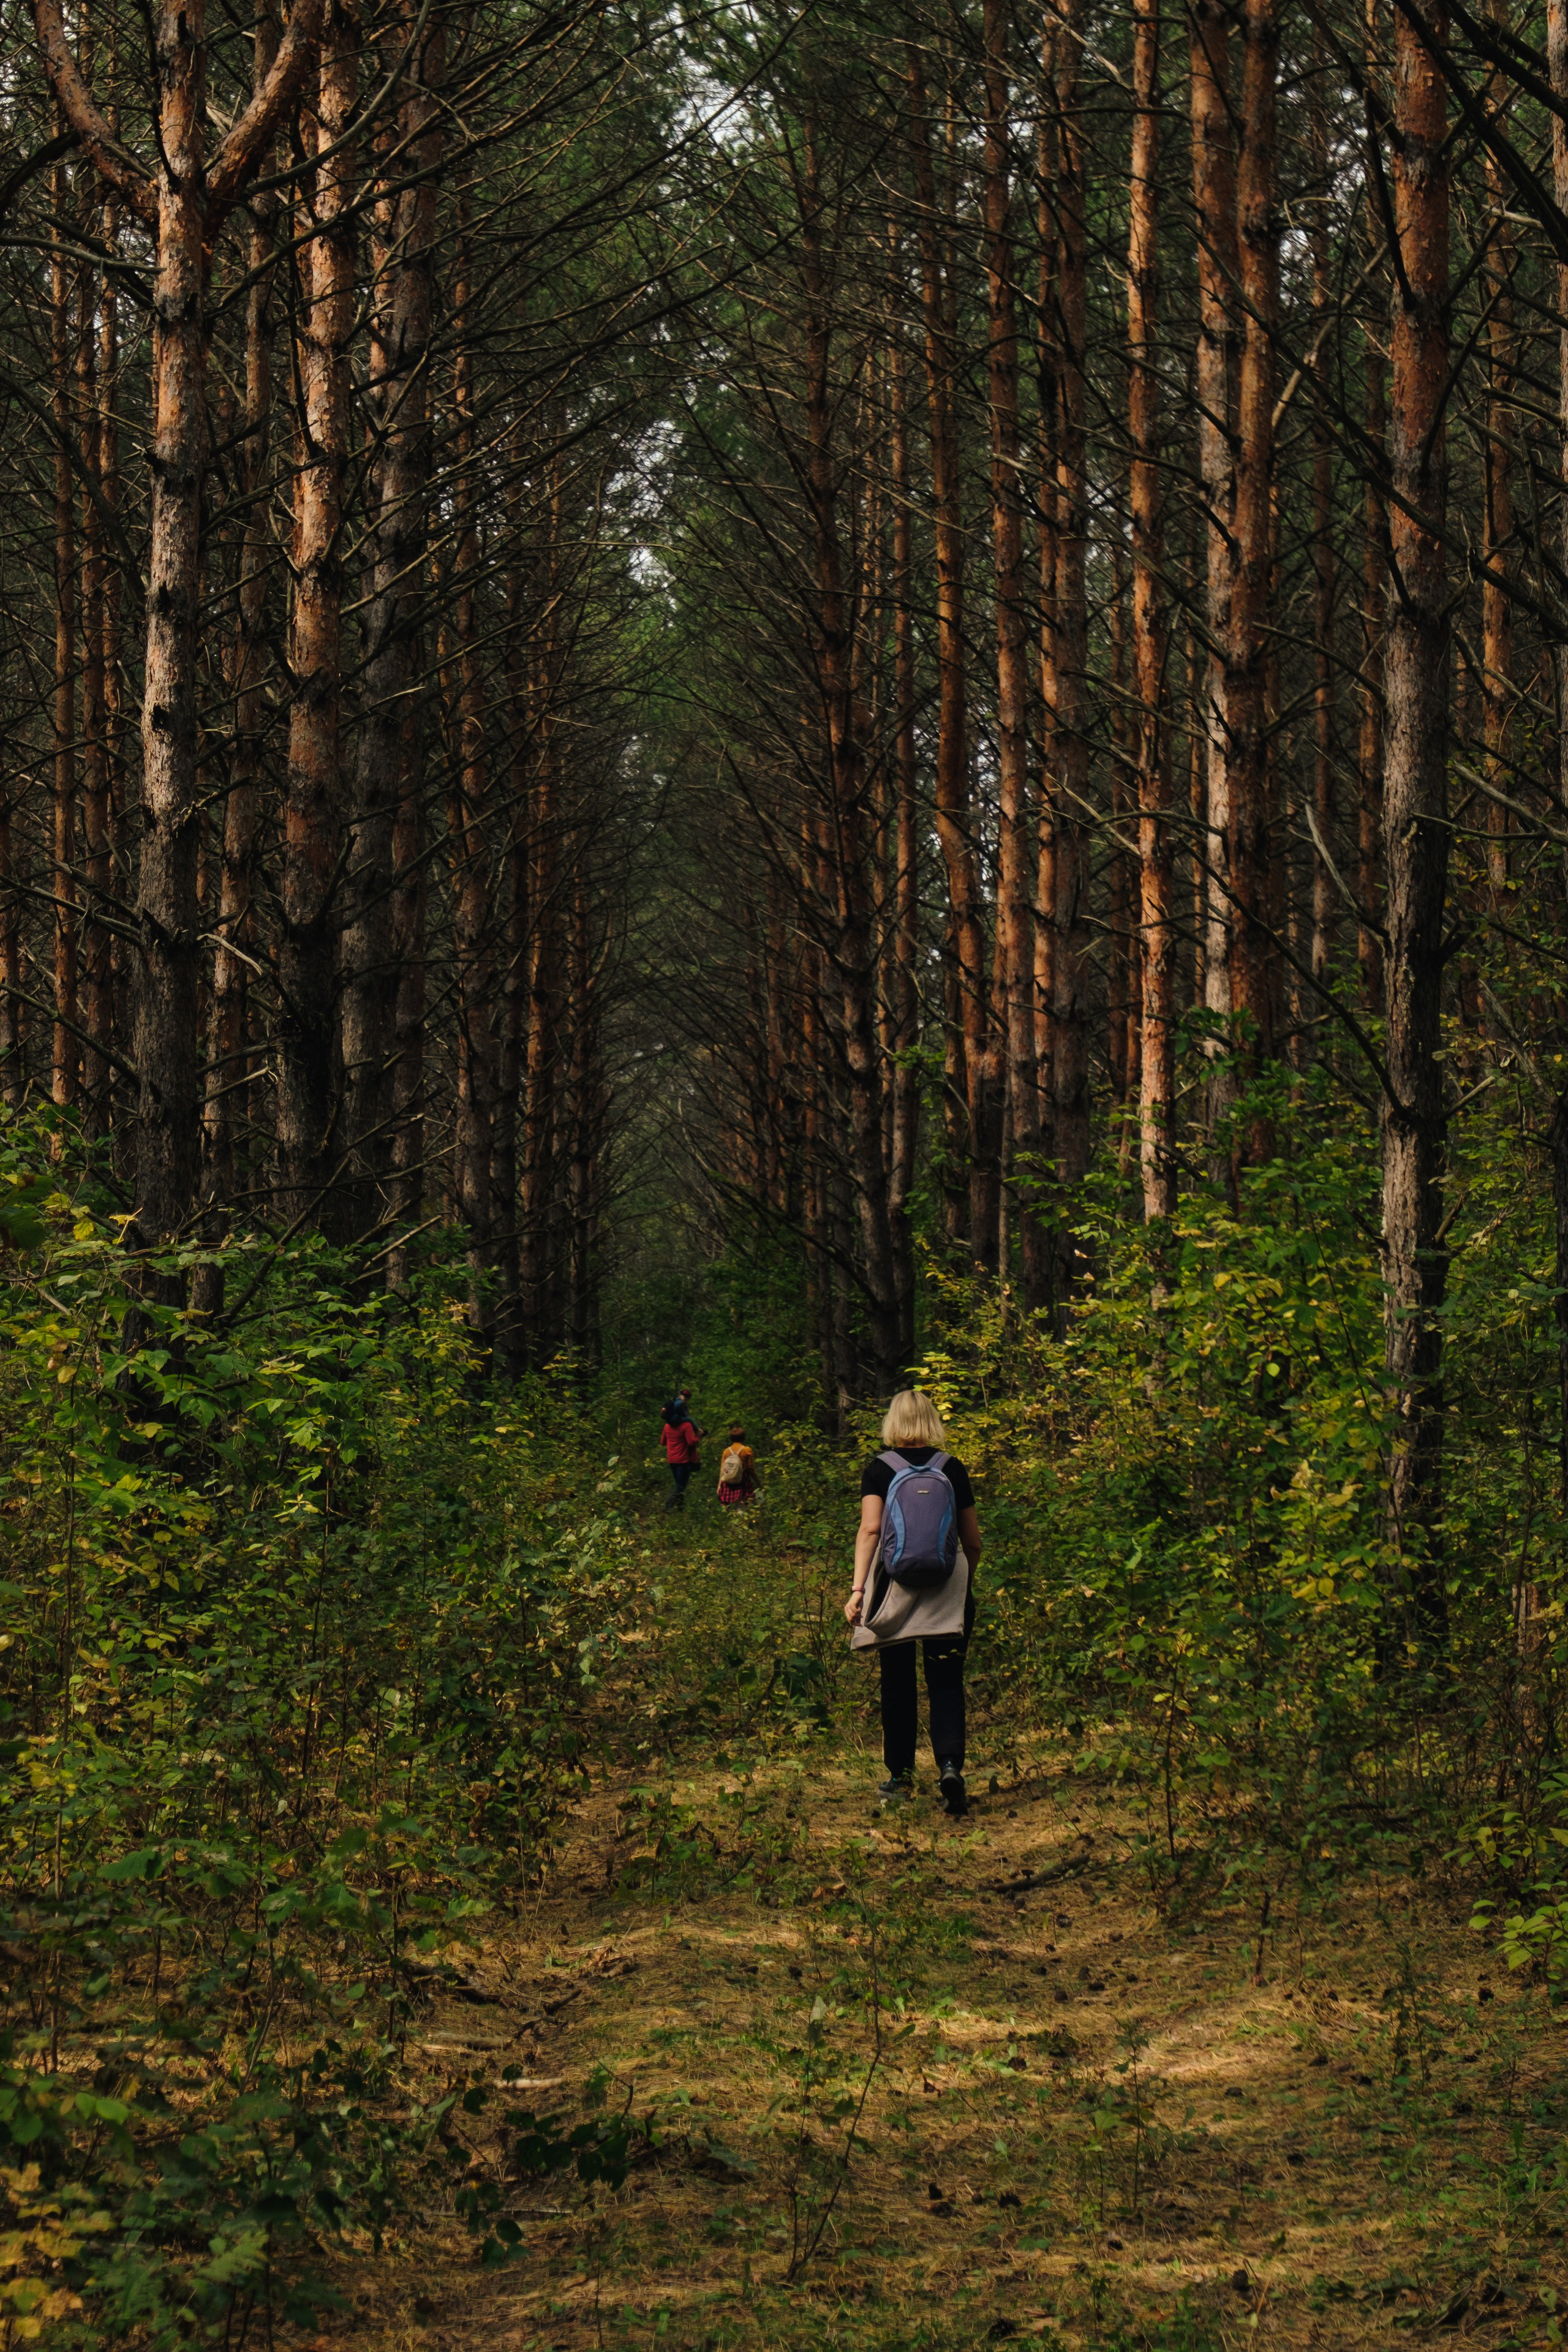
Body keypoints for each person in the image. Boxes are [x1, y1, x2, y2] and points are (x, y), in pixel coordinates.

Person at [843, 1388, 982, 1815]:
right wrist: (963, 1584)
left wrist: (858, 1590)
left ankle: (900, 1776)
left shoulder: (880, 1469)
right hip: (947, 1589)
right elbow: (972, 1541)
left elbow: (869, 1531)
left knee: (897, 1681)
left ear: (893, 1422)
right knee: (946, 1680)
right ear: (930, 1421)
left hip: (896, 1591)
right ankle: (950, 1767)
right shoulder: (952, 1468)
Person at [660, 1386, 704, 1510]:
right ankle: (667, 1507)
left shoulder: (667, 1427)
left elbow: (663, 1442)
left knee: (679, 1484)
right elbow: (691, 1442)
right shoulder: (686, 1426)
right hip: (683, 1460)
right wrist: (699, 1436)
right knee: (680, 1486)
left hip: (671, 1460)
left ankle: (681, 1509)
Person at [715, 1424, 759, 1507]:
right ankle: (743, 1520)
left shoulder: (726, 1451)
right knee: (743, 1506)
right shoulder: (747, 1450)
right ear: (743, 1437)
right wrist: (758, 1483)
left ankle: (737, 1519)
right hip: (743, 1481)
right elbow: (751, 1469)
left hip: (729, 1482)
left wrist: (719, 1486)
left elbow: (722, 1470)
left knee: (734, 1507)